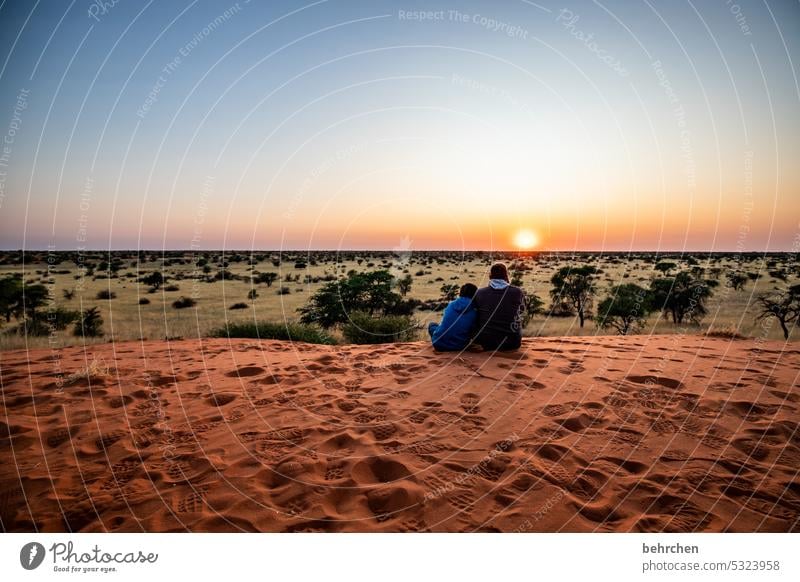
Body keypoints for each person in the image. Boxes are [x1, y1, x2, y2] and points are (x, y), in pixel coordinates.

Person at [472, 263, 524, 351]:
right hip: (512, 342)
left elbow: (475, 315)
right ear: (506, 276)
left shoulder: (480, 293)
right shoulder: (517, 292)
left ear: (490, 276)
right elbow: (521, 311)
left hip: (485, 342)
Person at [427, 283, 478, 351]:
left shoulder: (451, 304)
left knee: (432, 325)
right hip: (459, 346)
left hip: (438, 343)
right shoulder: (474, 310)